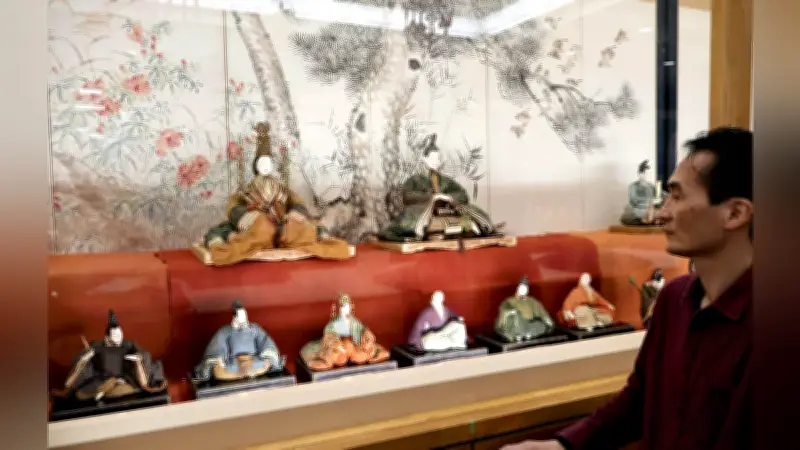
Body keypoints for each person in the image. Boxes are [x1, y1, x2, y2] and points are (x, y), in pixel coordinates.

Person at [501, 127, 753, 450]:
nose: (662, 212)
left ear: (735, 213)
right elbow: (639, 400)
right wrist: (563, 446)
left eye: (677, 197)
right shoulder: (674, 300)